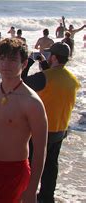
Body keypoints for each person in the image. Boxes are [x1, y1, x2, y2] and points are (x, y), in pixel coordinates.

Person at [0, 38, 47, 203]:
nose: (6, 64)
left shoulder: (32, 102)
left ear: (24, 63)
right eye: (2, 58)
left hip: (15, 170)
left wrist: (32, 189)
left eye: (13, 59)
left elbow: (41, 150)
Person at [22, 42, 80, 202]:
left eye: (49, 55)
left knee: (30, 165)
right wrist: (44, 63)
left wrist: (29, 62)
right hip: (60, 130)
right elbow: (55, 82)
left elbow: (21, 83)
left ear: (53, 57)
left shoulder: (44, 77)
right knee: (51, 166)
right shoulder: (73, 79)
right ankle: (47, 197)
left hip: (42, 130)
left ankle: (27, 195)